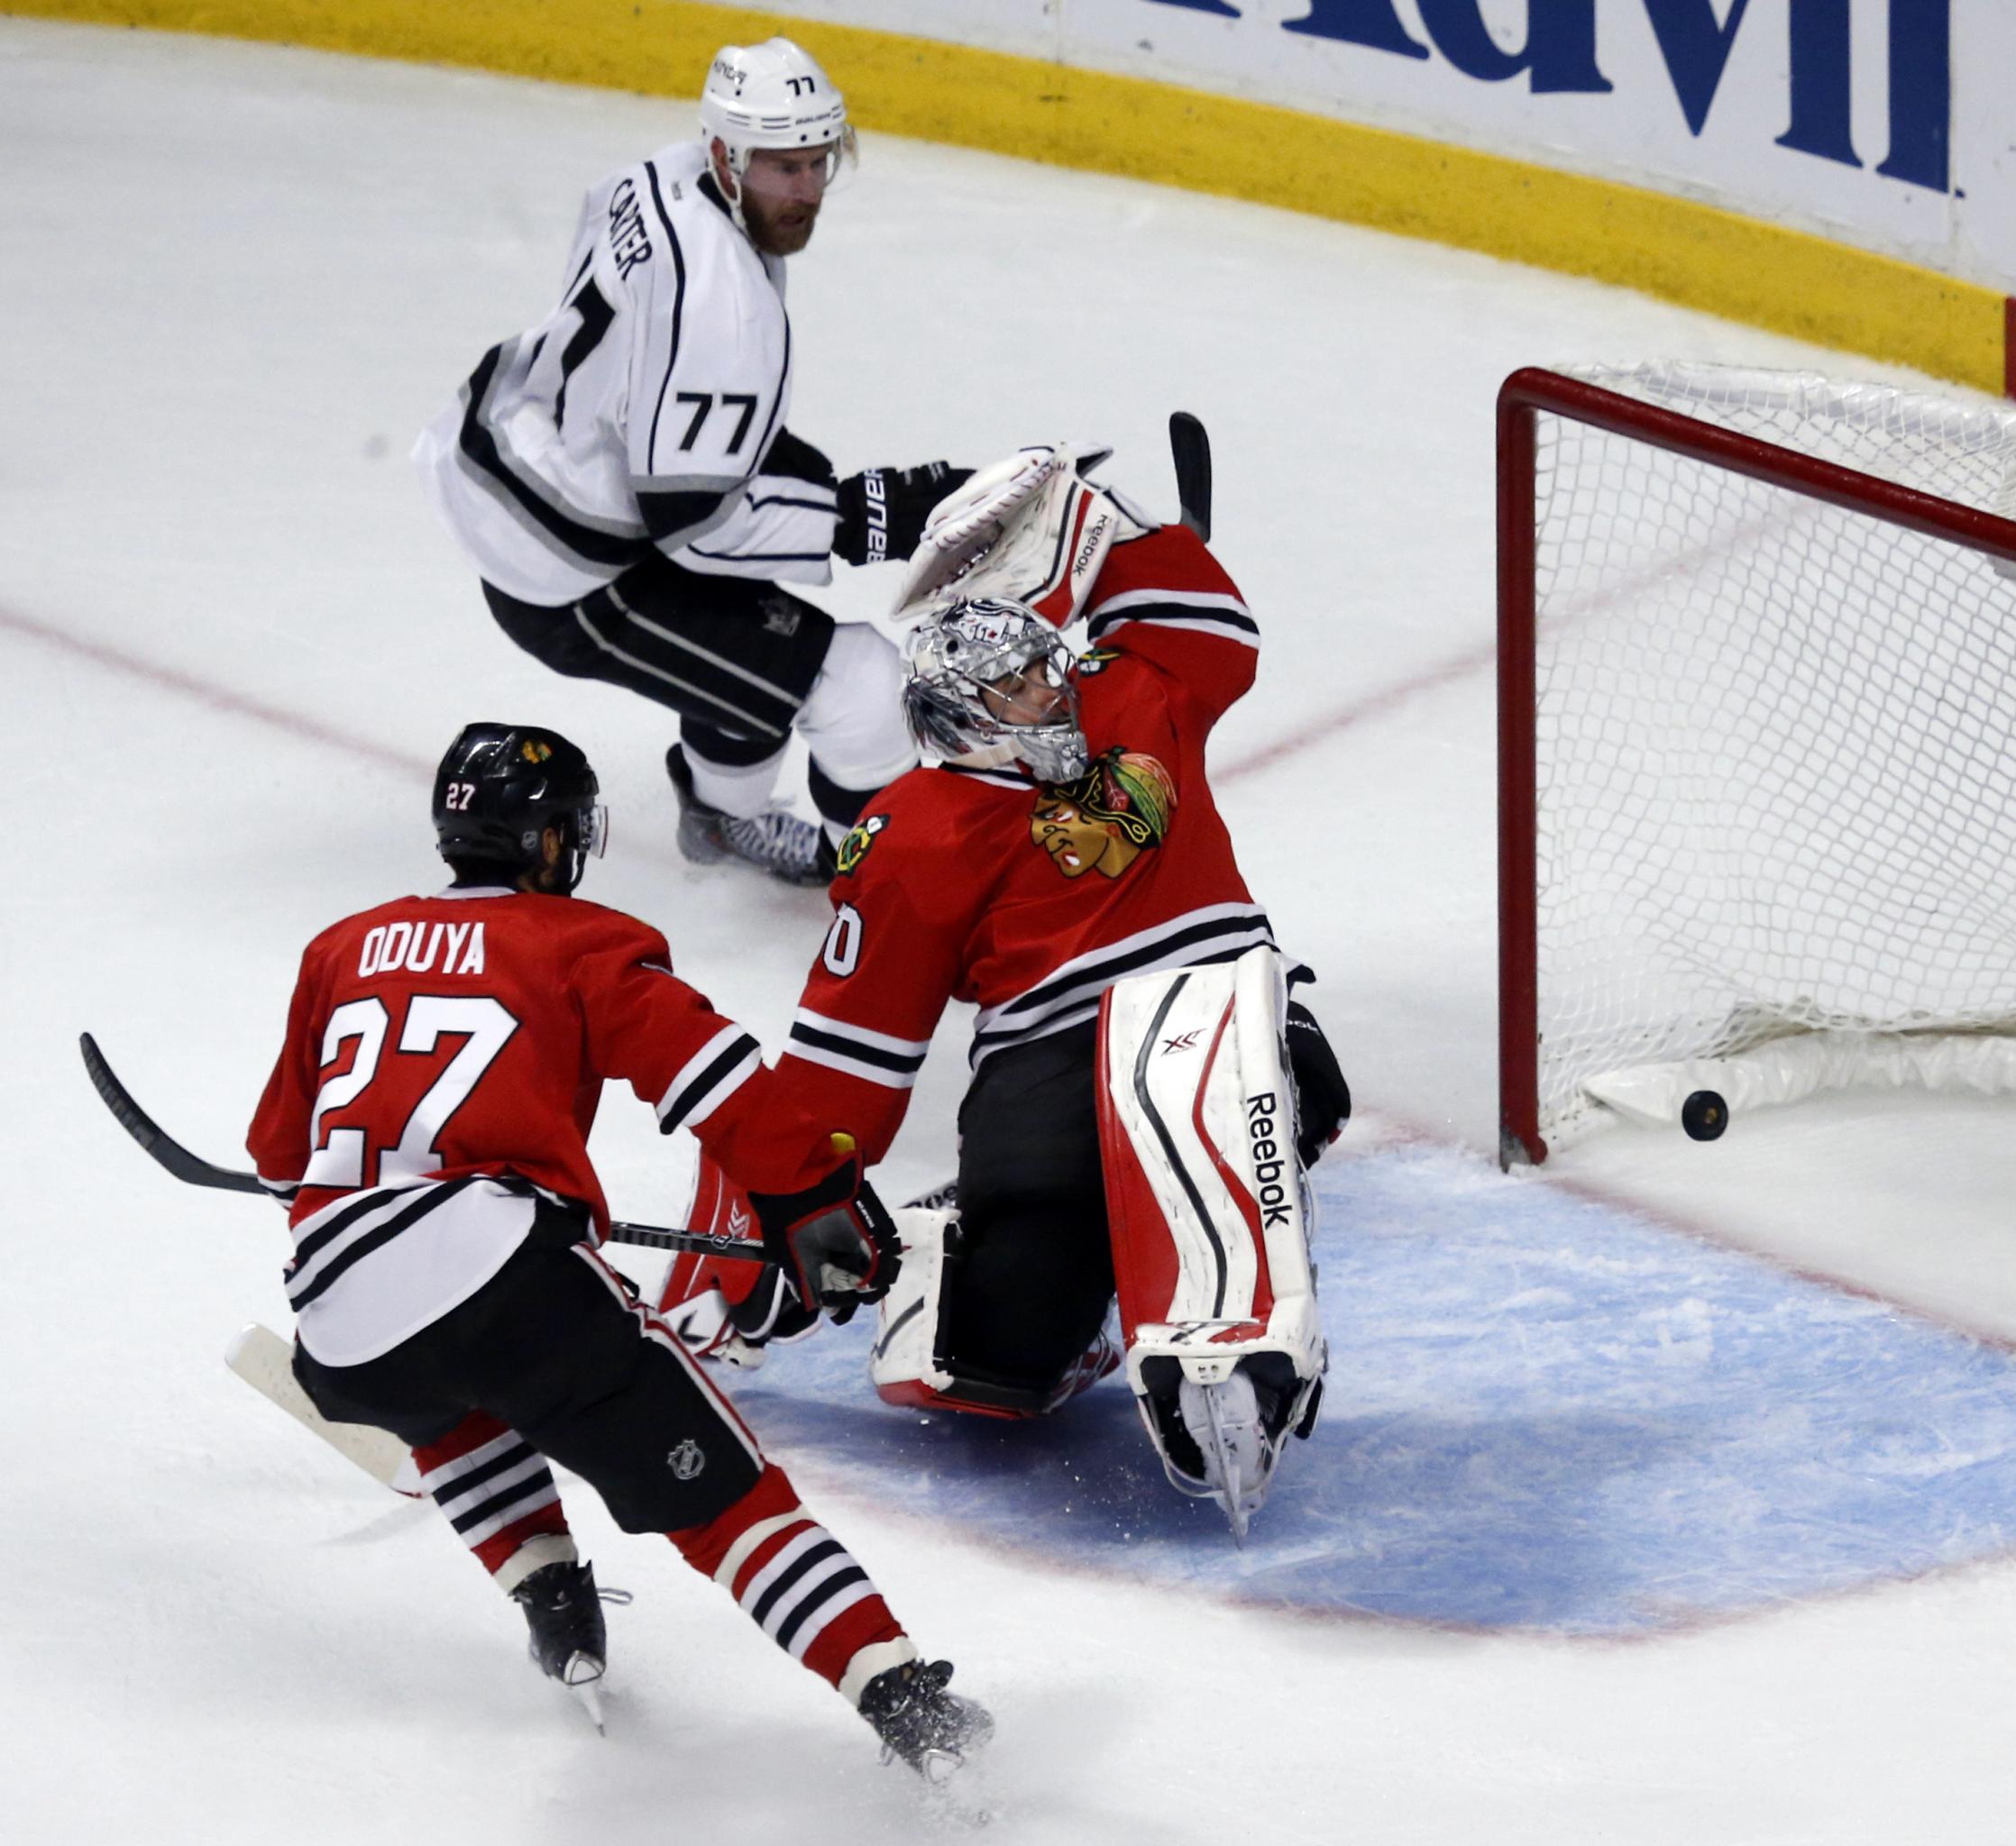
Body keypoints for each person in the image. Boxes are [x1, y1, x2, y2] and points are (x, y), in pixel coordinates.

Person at [243, 720, 987, 1777]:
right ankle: (901, 1695)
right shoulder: (583, 939)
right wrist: (813, 1196)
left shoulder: (340, 946)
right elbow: (713, 1073)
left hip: (337, 1316)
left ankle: (550, 1595)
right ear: (550, 839)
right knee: (727, 1498)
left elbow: (281, 1154)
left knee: (445, 1399)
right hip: (507, 1273)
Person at [738, 473, 1352, 1434]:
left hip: (1214, 1004)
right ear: (958, 717)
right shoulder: (910, 833)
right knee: (992, 1368)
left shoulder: (1132, 690)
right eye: (1016, 686)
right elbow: (852, 1051)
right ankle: (1088, 1304)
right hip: (1048, 1070)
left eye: (1045, 667)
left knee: (1302, 1081)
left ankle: (1237, 1287)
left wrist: (1099, 509)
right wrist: (803, 1196)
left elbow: (1213, 621)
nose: (1048, 689)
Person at [414, 36, 967, 887]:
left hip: (510, 457)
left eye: (821, 162)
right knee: (860, 685)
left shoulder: (658, 174)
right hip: (572, 568)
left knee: (759, 635)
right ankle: (898, 896)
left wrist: (818, 496)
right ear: (726, 153)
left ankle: (721, 813)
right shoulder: (727, 304)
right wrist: (872, 518)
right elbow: (695, 528)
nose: (808, 189)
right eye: (784, 167)